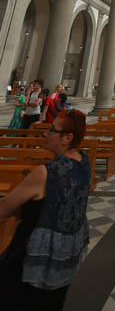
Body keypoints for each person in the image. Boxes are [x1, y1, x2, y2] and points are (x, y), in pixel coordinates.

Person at [0, 109, 91, 311]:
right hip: (64, 261)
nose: (45, 133)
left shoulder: (44, 173)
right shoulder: (84, 162)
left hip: (33, 262)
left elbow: (3, 210)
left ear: (67, 138)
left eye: (52, 130)